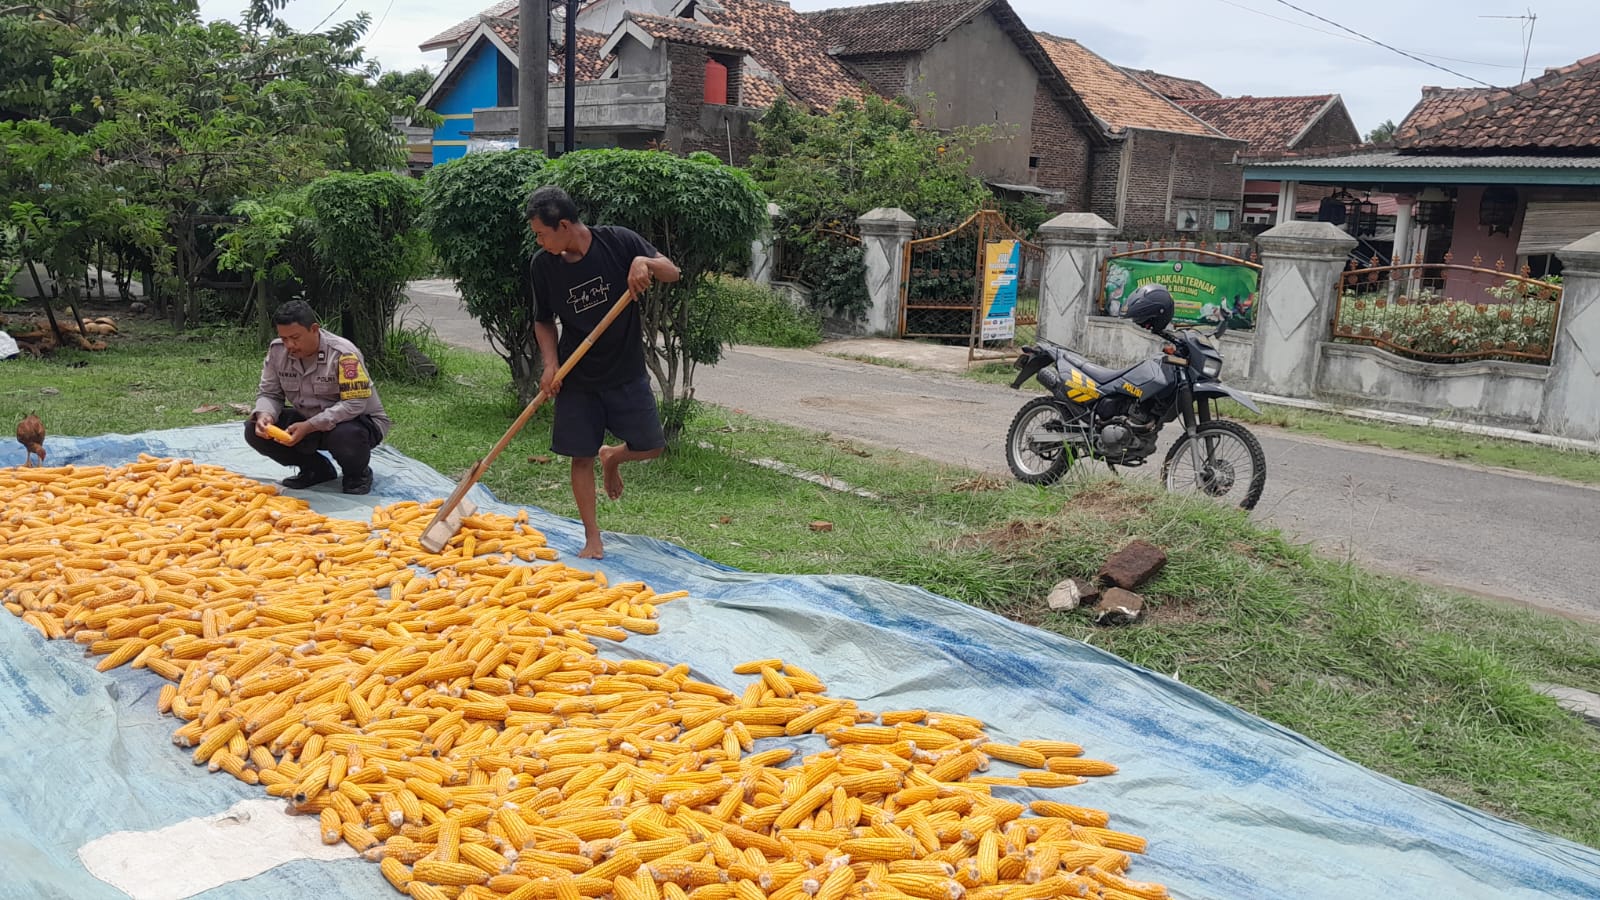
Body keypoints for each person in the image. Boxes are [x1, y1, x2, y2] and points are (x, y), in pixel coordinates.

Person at [527, 185, 680, 559]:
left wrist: (644, 263)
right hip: (577, 375)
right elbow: (543, 320)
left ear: (564, 225)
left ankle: (612, 456)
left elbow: (672, 272)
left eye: (542, 233)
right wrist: (551, 364)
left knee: (651, 445)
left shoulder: (618, 242)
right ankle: (592, 538)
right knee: (580, 456)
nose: (539, 241)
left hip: (624, 369)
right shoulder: (543, 266)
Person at [247, 300, 391, 494]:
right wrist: (266, 414)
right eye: (284, 338)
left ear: (314, 329)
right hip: (307, 419)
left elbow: (354, 404)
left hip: (357, 422)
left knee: (346, 436)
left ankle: (357, 474)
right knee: (253, 430)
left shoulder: (343, 354)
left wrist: (309, 426)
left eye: (295, 337)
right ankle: (315, 469)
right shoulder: (277, 351)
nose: (289, 345)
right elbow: (269, 392)